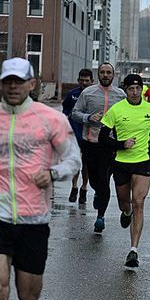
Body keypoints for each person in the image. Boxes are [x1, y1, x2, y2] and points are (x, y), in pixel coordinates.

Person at [0, 57, 81, 300]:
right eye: (8, 82)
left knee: (28, 295)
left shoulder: (51, 119)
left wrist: (52, 173)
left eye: (19, 81)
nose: (13, 87)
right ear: (1, 85)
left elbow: (74, 159)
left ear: (31, 84)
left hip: (34, 220)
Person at [98, 74, 150, 268]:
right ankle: (125, 212)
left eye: (138, 89)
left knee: (138, 202)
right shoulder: (116, 110)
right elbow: (102, 137)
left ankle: (133, 251)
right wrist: (120, 144)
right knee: (124, 203)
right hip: (120, 162)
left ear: (142, 89)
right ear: (125, 90)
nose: (135, 92)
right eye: (131, 89)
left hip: (143, 161)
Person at [71, 62, 126, 233]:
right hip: (91, 143)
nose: (105, 75)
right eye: (102, 72)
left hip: (109, 145)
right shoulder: (88, 93)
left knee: (104, 179)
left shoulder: (121, 95)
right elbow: (75, 113)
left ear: (113, 75)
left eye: (108, 72)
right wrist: (88, 117)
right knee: (95, 180)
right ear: (98, 75)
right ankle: (96, 191)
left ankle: (100, 216)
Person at [62, 68, 94, 204]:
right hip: (74, 134)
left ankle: (84, 188)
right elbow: (65, 111)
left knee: (86, 164)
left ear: (92, 81)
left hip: (89, 135)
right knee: (75, 162)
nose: (84, 83)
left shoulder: (94, 95)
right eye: (82, 80)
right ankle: (74, 187)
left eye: (87, 81)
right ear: (78, 81)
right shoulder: (72, 94)